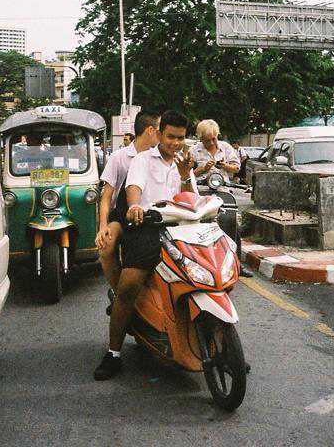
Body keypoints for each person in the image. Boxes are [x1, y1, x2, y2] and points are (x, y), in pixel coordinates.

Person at [94, 110, 195, 381]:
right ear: (159, 134)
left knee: (203, 279)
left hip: (178, 231)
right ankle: (113, 353)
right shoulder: (141, 159)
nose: (175, 143)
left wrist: (185, 175)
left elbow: (190, 198)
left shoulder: (182, 163)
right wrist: (136, 205)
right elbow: (133, 188)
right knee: (127, 288)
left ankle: (220, 349)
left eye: (181, 138)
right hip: (145, 228)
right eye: (171, 136)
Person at [95, 111, 161, 291]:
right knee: (105, 246)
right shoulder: (119, 157)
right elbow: (106, 197)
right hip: (122, 216)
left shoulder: (159, 157)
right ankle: (118, 292)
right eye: (160, 130)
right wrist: (103, 226)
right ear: (150, 130)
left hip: (153, 216)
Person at [192, 120, 252, 277]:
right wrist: (202, 169)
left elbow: (237, 167)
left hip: (222, 189)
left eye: (214, 138)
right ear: (201, 138)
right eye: (207, 140)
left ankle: (237, 264)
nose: (211, 142)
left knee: (232, 223)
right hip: (201, 191)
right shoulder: (193, 150)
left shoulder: (225, 147)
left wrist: (224, 166)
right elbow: (188, 173)